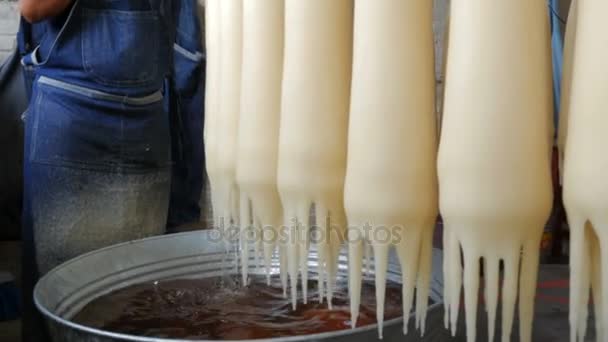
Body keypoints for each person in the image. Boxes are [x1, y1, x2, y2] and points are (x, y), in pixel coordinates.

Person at [17, 0, 205, 340]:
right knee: (62, 301)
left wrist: (185, 197)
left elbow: (186, 54)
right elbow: (32, 7)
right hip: (75, 121)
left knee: (135, 301)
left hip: (147, 120)